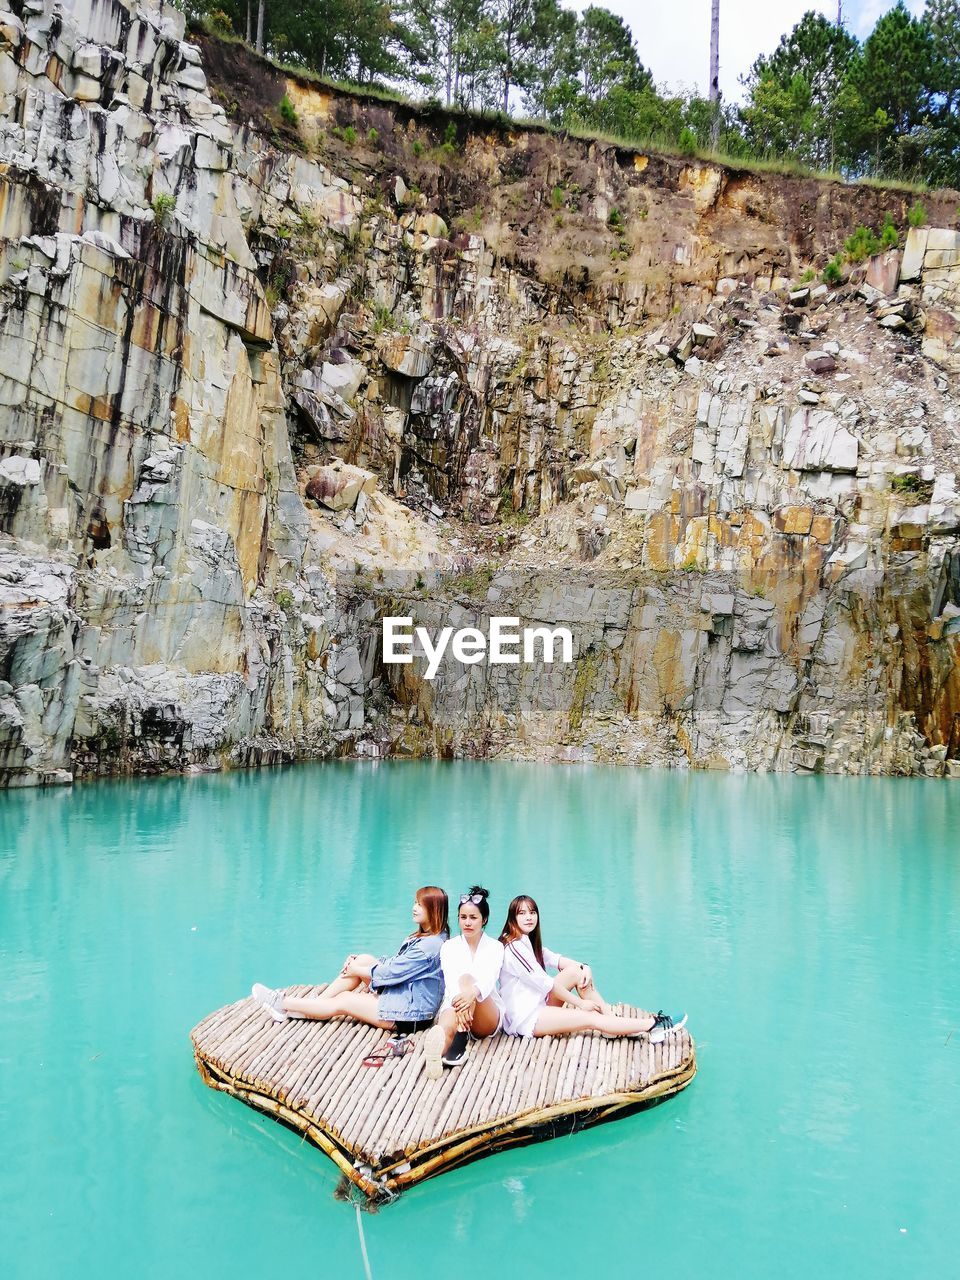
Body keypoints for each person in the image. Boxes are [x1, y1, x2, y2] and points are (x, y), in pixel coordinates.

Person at [251, 886, 449, 1032]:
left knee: (344, 1000)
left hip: (411, 1014)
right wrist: (358, 965)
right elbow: (397, 965)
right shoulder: (427, 935)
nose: (414, 908)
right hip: (404, 994)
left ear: (434, 911)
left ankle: (282, 1004)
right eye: (415, 902)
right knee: (363, 959)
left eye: (420, 905)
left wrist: (355, 970)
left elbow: (391, 973)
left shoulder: (429, 947)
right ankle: (315, 1006)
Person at [498, 894, 685, 1042]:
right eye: (522, 913)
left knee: (575, 973)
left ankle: (611, 1020)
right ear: (512, 917)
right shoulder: (514, 946)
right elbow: (547, 984)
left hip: (538, 1003)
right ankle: (653, 1025)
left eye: (532, 912)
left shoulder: (526, 941)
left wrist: (584, 967)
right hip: (527, 1018)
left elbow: (556, 960)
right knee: (589, 1018)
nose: (529, 917)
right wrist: (581, 1004)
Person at [423, 886, 503, 1078]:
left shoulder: (496, 947)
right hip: (456, 1004)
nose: (467, 922)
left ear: (484, 920)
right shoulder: (449, 947)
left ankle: (461, 1036)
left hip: (486, 1013)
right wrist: (463, 1002)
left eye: (473, 918)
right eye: (463, 917)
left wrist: (471, 995)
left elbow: (489, 980)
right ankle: (439, 1051)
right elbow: (451, 984)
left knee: (470, 983)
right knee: (445, 1027)